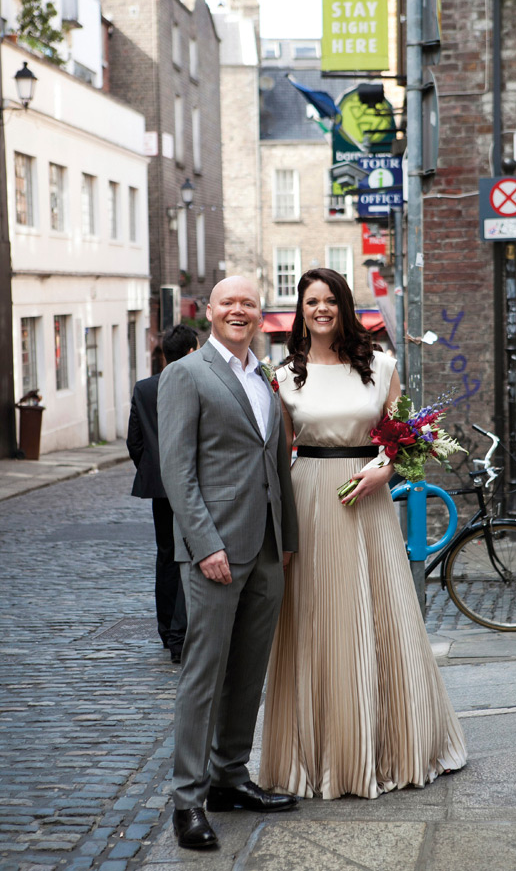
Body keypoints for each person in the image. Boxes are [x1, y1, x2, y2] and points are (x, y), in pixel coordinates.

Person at [259, 268, 467, 800]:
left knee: (382, 610)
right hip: (309, 498)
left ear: (345, 306)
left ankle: (394, 743)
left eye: (331, 300)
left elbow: (406, 440)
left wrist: (385, 470)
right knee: (316, 616)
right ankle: (321, 751)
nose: (321, 309)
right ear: (299, 311)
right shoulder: (281, 376)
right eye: (311, 302)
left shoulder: (380, 364)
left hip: (369, 498)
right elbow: (281, 456)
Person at [157, 276, 299, 850]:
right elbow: (177, 470)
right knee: (203, 674)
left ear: (260, 315)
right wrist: (205, 544)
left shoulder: (263, 376)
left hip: (266, 547)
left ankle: (231, 778)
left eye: (249, 303)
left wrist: (286, 535)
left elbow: (275, 464)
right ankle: (188, 800)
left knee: (248, 669)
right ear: (209, 311)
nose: (239, 310)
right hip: (215, 549)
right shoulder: (185, 374)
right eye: (229, 303)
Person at [126, 323, 199, 663]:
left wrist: (154, 469)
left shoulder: (144, 388)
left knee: (167, 556)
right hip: (194, 483)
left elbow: (135, 442)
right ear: (190, 352)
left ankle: (167, 630)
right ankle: (183, 634)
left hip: (160, 488)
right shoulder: (196, 381)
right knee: (195, 553)